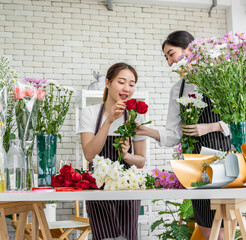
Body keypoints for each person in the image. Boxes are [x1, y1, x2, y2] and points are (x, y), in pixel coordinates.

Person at [135, 31, 231, 239]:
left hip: (224, 161)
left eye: (171, 54)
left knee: (225, 228)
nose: (170, 62)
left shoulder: (218, 77)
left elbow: (238, 122)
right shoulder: (177, 89)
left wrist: (210, 126)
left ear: (190, 49)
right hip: (197, 166)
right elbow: (174, 135)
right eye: (167, 58)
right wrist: (146, 131)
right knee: (206, 226)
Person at [78, 62, 147, 240]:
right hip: (98, 190)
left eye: (131, 84)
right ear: (107, 83)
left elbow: (141, 161)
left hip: (128, 190)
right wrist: (108, 121)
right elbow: (89, 154)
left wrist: (127, 156)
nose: (127, 89)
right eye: (121, 82)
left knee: (127, 237)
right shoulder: (90, 113)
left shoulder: (135, 116)